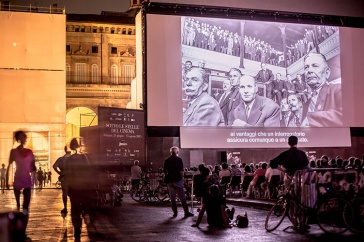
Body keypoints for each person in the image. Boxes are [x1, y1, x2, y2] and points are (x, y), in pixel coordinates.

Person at [6, 130, 36, 239]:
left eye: (25, 136)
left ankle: (24, 228)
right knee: (18, 206)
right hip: (17, 179)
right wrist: (6, 180)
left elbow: (33, 167)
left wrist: (35, 179)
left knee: (26, 207)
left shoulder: (30, 152)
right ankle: (19, 227)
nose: (25, 138)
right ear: (19, 139)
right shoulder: (13, 152)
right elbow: (9, 165)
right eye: (23, 136)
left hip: (27, 180)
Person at [303, 52, 342, 127]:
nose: (309, 70)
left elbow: (350, 114)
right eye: (306, 67)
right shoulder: (306, 105)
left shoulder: (338, 89)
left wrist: (311, 119)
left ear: (327, 72)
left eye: (315, 66)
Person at [64, 138, 91, 240]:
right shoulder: (84, 158)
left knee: (74, 209)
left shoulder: (69, 159)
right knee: (83, 207)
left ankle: (77, 229)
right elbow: (89, 171)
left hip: (73, 187)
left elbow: (67, 174)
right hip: (83, 187)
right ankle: (85, 221)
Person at [163, 146, 194, 218]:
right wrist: (182, 178)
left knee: (172, 198)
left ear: (171, 152)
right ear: (177, 152)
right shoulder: (179, 159)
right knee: (182, 197)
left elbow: (165, 172)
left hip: (170, 181)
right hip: (178, 180)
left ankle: (175, 213)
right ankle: (186, 212)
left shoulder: (167, 160)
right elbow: (181, 171)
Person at [53, 145, 71, 214]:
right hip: (73, 178)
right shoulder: (73, 159)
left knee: (65, 193)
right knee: (73, 193)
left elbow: (54, 166)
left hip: (64, 178)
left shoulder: (61, 159)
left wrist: (59, 172)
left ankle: (65, 207)